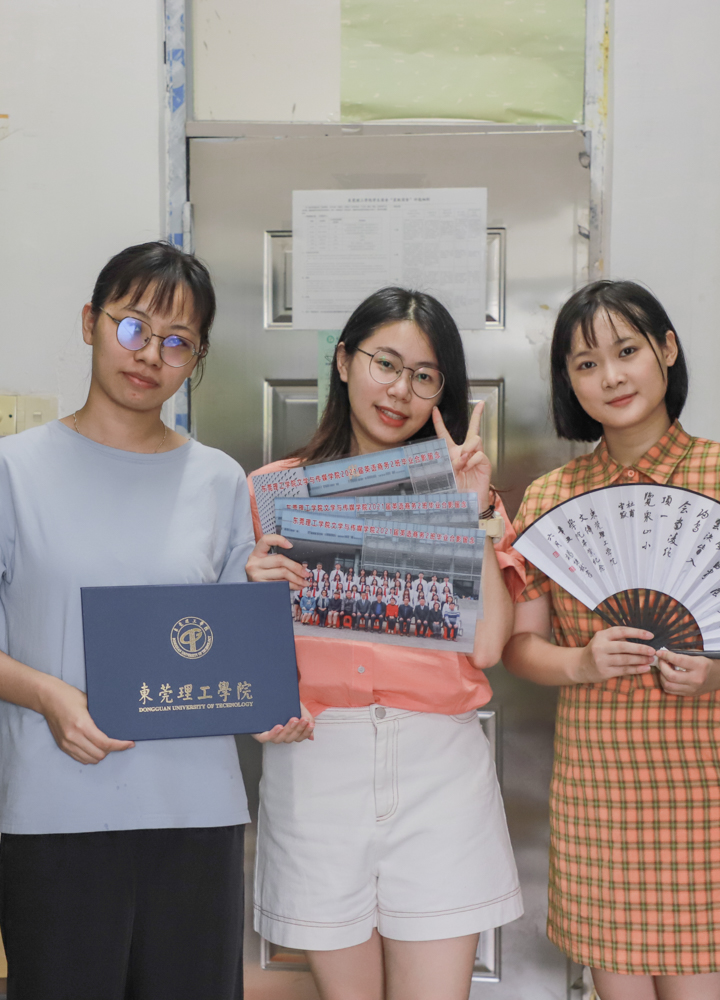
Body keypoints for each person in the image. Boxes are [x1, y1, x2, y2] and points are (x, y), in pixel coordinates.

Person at [0, 241, 307, 1000]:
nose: (150, 354)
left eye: (178, 341)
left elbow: (226, 645)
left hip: (195, 812)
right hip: (57, 807)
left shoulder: (218, 480)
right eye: (133, 327)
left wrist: (268, 678)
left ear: (196, 358)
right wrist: (50, 696)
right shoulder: (10, 471)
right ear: (90, 323)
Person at [500, 280, 720, 1000]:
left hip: (711, 781)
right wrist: (581, 661)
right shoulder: (551, 498)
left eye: (627, 351)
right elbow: (522, 647)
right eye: (586, 363)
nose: (611, 376)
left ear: (667, 351)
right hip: (600, 789)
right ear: (568, 380)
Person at [245, 287, 523, 1000]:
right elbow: (243, 654)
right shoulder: (271, 493)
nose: (401, 390)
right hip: (316, 762)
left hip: (438, 769)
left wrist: (472, 514)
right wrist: (254, 591)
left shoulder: (467, 493)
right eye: (386, 364)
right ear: (344, 361)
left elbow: (490, 646)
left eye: (425, 376)